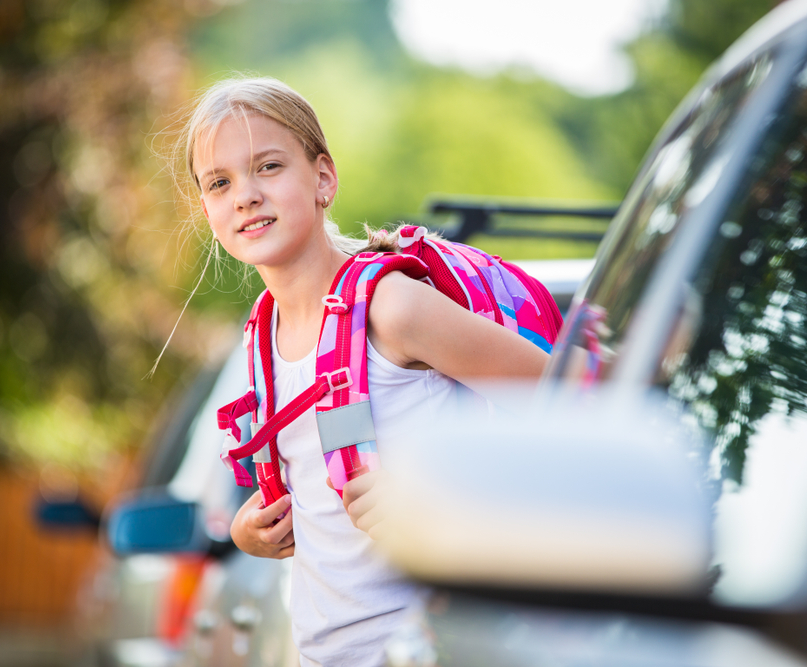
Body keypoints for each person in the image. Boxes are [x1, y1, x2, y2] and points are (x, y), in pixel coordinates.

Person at [177, 76, 548, 666]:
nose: (244, 195)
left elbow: (573, 410)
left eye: (268, 167)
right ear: (207, 209)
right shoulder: (262, 340)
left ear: (323, 178)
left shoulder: (393, 307)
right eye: (219, 182)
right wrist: (250, 533)